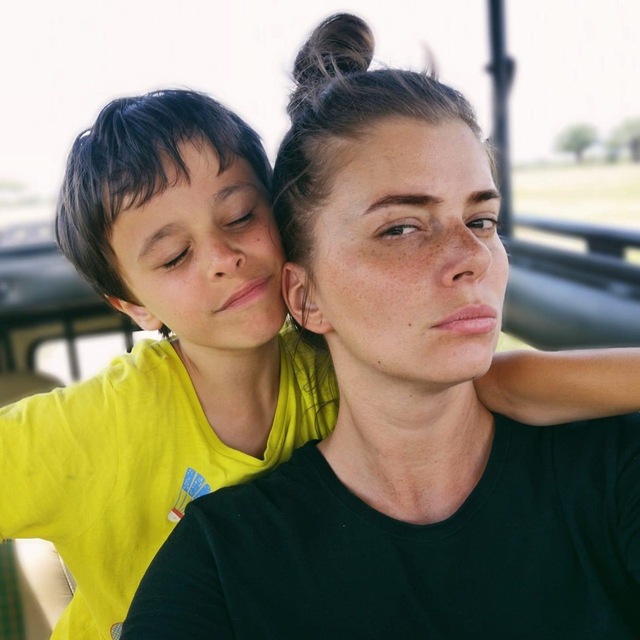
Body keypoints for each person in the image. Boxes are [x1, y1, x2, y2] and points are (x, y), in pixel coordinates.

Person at [121, 14, 640, 639]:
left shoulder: (614, 468)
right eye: (400, 228)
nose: (472, 257)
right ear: (306, 298)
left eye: (481, 220)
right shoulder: (222, 563)